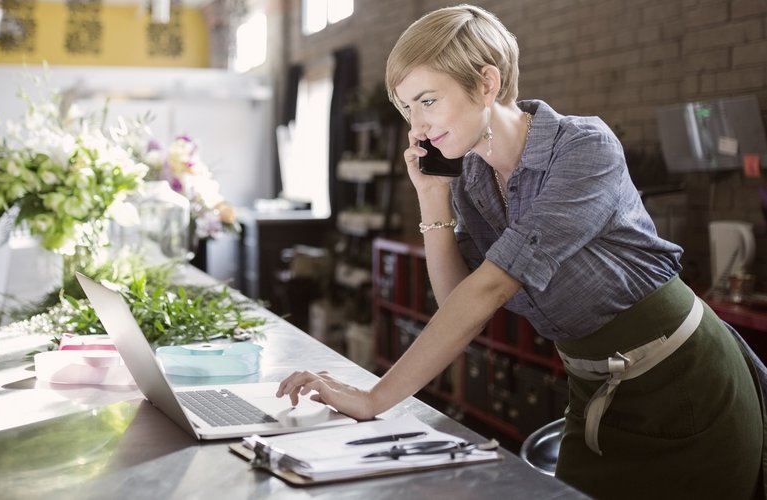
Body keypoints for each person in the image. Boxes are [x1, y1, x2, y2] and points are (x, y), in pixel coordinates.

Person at [277, 4, 767, 498]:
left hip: (685, 382)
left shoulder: (583, 148)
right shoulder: (470, 179)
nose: (417, 126)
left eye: (427, 101)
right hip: (594, 390)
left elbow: (490, 287)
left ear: (486, 83)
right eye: (407, 109)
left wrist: (375, 397)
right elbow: (457, 303)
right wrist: (431, 195)